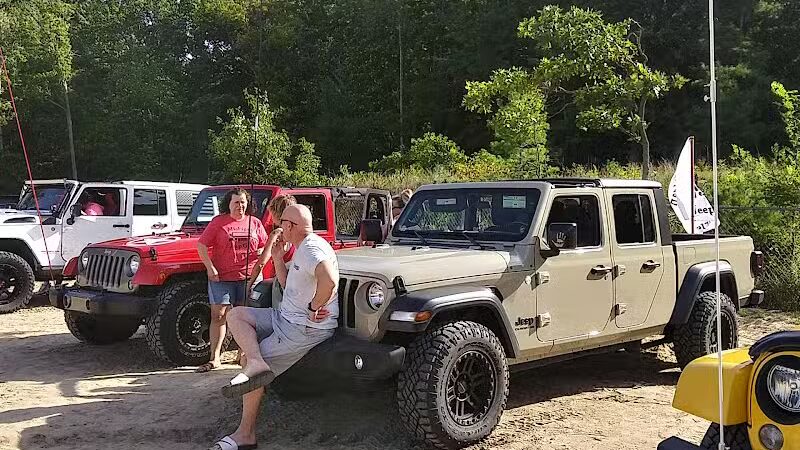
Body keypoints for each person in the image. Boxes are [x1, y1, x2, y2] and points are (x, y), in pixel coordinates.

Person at [209, 204, 338, 450]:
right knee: (237, 315)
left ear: (290, 226)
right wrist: (278, 259)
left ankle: (245, 435)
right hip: (284, 317)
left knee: (252, 371)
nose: (279, 230)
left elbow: (329, 280)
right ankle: (257, 360)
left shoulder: (311, 249)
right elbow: (289, 284)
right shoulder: (303, 246)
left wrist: (314, 307)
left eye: (281, 226)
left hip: (302, 327)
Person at [195, 188, 270, 373]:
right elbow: (201, 245)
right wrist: (209, 267)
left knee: (245, 318)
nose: (240, 206)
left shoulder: (255, 223)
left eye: (243, 202)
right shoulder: (218, 222)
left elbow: (264, 245)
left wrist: (261, 256)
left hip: (249, 278)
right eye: (236, 202)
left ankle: (242, 353)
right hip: (222, 278)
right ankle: (215, 357)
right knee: (218, 315)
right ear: (228, 204)